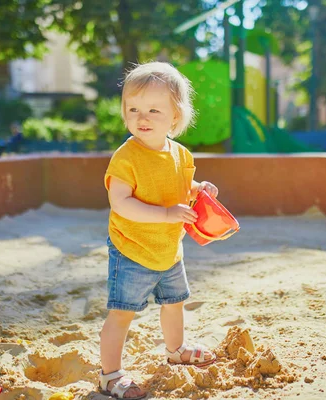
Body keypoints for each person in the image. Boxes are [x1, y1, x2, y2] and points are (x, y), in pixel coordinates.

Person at [99, 62, 219, 399]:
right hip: (133, 249)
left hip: (168, 248)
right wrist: (167, 214)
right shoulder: (126, 157)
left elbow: (179, 184)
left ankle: (176, 349)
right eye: (133, 109)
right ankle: (110, 375)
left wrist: (198, 189)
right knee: (122, 313)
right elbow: (120, 202)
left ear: (176, 117)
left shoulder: (180, 154)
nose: (142, 117)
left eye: (154, 109)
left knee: (175, 303)